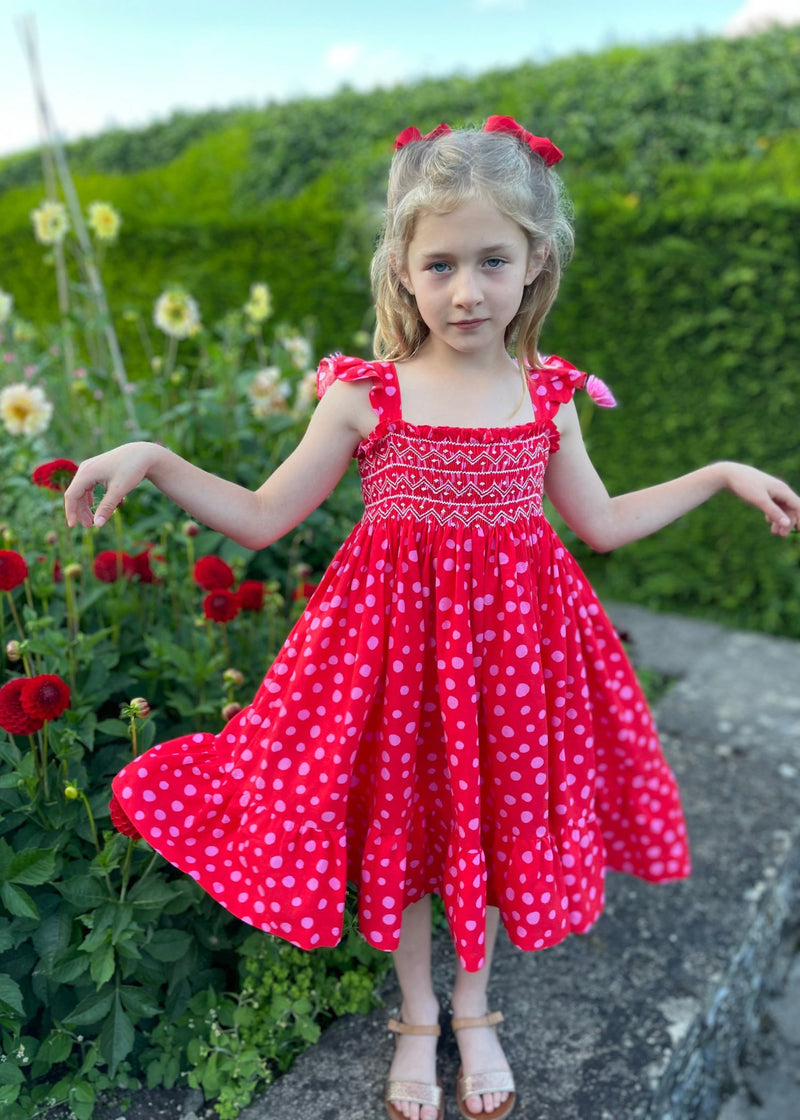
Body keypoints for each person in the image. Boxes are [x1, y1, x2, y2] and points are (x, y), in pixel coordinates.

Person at [64, 116, 800, 1120]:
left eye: (491, 259)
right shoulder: (366, 397)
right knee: (408, 831)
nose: (465, 289)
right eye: (440, 262)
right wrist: (151, 454)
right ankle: (415, 1013)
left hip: (512, 663)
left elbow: (601, 524)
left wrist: (718, 473)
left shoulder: (547, 397)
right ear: (402, 271)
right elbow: (264, 516)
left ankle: (472, 1006)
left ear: (532, 262)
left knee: (485, 827)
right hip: (391, 662)